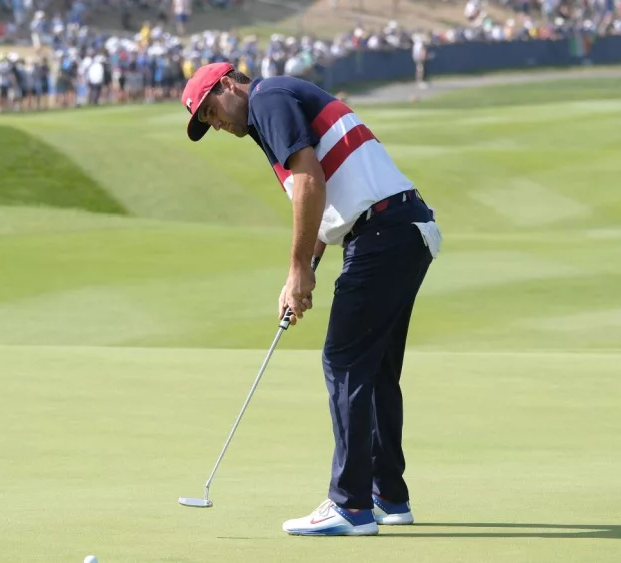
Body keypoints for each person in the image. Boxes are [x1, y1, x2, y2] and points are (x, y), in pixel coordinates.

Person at [179, 62, 442, 536]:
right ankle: (389, 496)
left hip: (383, 232)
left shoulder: (266, 98)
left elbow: (309, 181)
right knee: (375, 369)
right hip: (403, 229)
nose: (214, 123)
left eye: (210, 110)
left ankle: (351, 505)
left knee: (344, 362)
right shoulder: (272, 110)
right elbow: (318, 203)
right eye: (206, 123)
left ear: (227, 85)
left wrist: (298, 268)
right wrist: (305, 272)